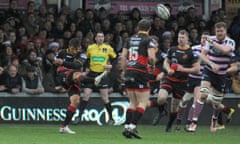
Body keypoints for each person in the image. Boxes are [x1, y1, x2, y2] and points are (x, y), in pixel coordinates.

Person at [187, 22, 236, 132]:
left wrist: (212, 42)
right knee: (203, 94)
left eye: (221, 31)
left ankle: (214, 121)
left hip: (221, 76)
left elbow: (225, 50)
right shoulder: (210, 40)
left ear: (225, 31)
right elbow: (203, 55)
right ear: (215, 31)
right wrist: (211, 64)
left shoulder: (230, 42)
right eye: (217, 31)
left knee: (216, 102)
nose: (219, 33)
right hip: (209, 72)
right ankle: (193, 123)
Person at [156, 29, 200, 132]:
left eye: (183, 38)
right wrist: (168, 69)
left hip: (181, 82)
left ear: (187, 39)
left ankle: (169, 125)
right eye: (179, 37)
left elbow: (197, 69)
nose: (180, 39)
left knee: (175, 106)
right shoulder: (172, 49)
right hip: (169, 79)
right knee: (161, 98)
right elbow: (166, 62)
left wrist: (182, 69)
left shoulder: (191, 53)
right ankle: (162, 111)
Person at [120, 19, 156, 139]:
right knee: (143, 102)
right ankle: (132, 126)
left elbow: (123, 56)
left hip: (130, 70)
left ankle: (126, 126)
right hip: (140, 71)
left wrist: (124, 71)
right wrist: (153, 65)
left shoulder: (129, 39)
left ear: (137, 27)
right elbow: (151, 57)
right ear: (149, 28)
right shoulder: (148, 40)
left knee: (132, 102)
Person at [73, 31, 117, 125]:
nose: (100, 38)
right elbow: (87, 60)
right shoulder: (90, 48)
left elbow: (115, 59)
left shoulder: (108, 48)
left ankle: (111, 118)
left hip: (102, 75)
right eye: (99, 36)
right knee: (86, 95)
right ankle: (79, 117)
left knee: (105, 98)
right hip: (92, 74)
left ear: (104, 38)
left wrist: (111, 66)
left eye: (102, 36)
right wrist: (85, 69)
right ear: (95, 38)